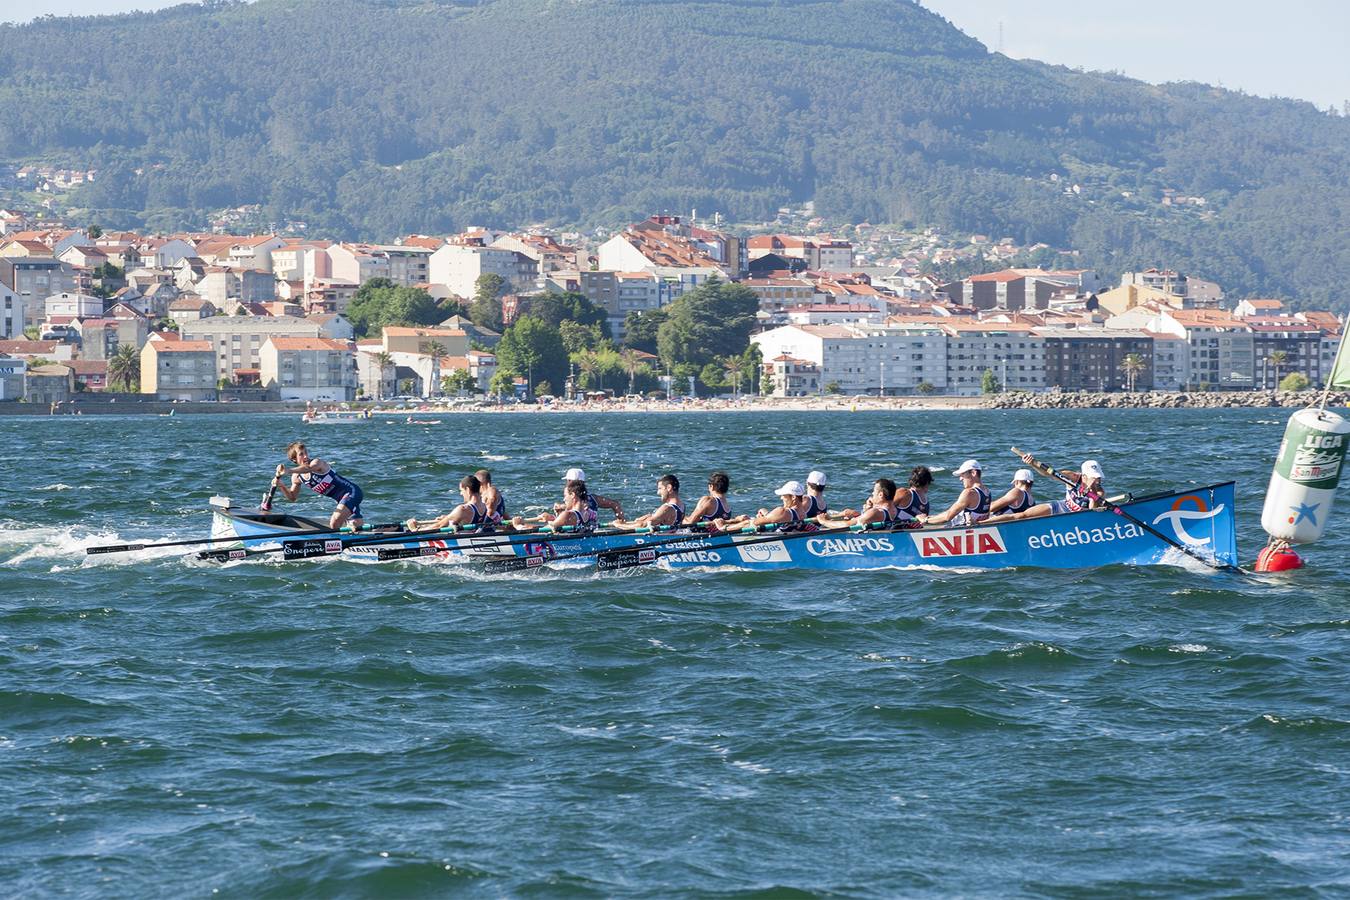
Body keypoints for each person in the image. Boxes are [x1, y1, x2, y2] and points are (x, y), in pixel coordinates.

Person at [272, 441, 365, 529]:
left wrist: (288, 470)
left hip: (352, 492)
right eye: (301, 454)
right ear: (294, 459)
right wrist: (282, 486)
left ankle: (338, 543)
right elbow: (292, 497)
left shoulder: (317, 463)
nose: (305, 456)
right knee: (357, 527)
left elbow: (308, 468)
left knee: (334, 523)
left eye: (306, 452)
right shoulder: (296, 477)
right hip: (341, 500)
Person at [1000, 458, 1106, 520]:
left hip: (1077, 516)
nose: (1097, 480)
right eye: (1093, 477)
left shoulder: (1100, 491)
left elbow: (1092, 513)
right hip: (1061, 506)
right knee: (1022, 515)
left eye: (1098, 477)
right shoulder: (1072, 477)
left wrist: (1093, 493)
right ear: (1084, 476)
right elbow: (1049, 474)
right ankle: (985, 523)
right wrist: (1033, 464)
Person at [918, 459, 990, 527]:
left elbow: (947, 516)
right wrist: (933, 517)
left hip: (960, 530)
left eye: (962, 474)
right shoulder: (987, 492)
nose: (960, 479)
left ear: (973, 473)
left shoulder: (969, 493)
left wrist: (925, 520)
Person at [406, 474, 489, 531]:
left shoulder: (463, 509)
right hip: (472, 537)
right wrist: (448, 517)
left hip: (460, 541)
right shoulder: (485, 506)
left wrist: (415, 530)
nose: (461, 493)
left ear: (467, 489)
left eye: (461, 490)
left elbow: (439, 526)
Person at [716, 481, 808, 531]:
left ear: (793, 497)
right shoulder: (803, 513)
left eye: (783, 495)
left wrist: (724, 528)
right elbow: (779, 519)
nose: (781, 498)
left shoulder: (783, 511)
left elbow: (751, 523)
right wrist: (767, 514)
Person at [511, 479, 595, 532]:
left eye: (565, 496)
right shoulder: (590, 514)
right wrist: (555, 518)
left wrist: (519, 526)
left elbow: (542, 533)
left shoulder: (567, 514)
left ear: (572, 495)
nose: (564, 499)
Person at [612, 474, 684, 530]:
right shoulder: (682, 505)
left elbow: (642, 526)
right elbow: (660, 519)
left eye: (660, 488)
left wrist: (618, 525)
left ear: (669, 488)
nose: (658, 492)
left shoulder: (667, 508)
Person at [820, 479, 899, 530]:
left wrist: (823, 521)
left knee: (823, 528)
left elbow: (847, 525)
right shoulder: (895, 509)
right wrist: (867, 510)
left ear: (881, 495)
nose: (872, 493)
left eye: (874, 491)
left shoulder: (876, 512)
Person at [556, 467, 623, 521]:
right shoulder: (594, 499)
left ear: (569, 481)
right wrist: (621, 521)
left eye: (567, 481)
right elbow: (615, 504)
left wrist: (561, 509)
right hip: (590, 531)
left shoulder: (572, 502)